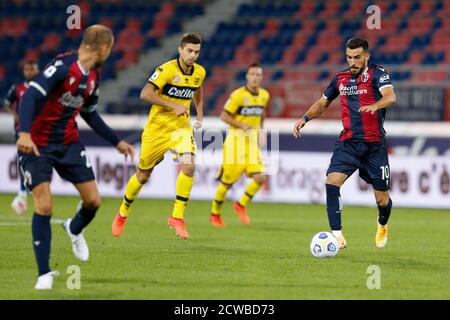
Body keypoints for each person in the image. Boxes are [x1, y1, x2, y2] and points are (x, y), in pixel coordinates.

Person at [16, 25, 135, 290]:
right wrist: (24, 133)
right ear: (103, 47)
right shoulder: (62, 67)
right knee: (44, 204)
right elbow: (29, 97)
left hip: (68, 143)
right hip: (37, 144)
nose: (110, 53)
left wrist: (116, 141)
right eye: (110, 48)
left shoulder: (94, 76)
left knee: (93, 201)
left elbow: (89, 114)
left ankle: (74, 228)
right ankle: (44, 274)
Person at [293, 37, 396, 249]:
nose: (353, 62)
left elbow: (390, 96)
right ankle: (337, 235)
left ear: (366, 56)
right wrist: (304, 118)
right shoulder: (340, 79)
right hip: (348, 143)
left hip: (374, 146)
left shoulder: (378, 73)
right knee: (332, 183)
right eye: (349, 57)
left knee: (382, 201)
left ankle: (382, 223)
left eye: (357, 57)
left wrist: (375, 105)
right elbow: (323, 103)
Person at [112, 33, 206, 240]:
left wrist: (198, 111)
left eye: (197, 52)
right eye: (189, 51)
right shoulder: (166, 70)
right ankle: (123, 211)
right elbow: (145, 93)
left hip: (181, 128)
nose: (193, 56)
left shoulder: (199, 72)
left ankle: (177, 217)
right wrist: (173, 105)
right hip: (157, 129)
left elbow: (197, 89)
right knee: (143, 175)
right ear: (180, 50)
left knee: (189, 165)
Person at [209, 63, 270, 227]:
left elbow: (262, 113)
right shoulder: (237, 95)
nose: (255, 77)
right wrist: (241, 125)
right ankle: (215, 213)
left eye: (258, 74)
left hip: (251, 143)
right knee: (227, 183)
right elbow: (223, 116)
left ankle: (240, 204)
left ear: (261, 77)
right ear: (247, 76)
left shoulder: (264, 95)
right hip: (235, 143)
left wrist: (262, 131)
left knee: (260, 177)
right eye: (252, 74)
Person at [3, 61, 40, 215]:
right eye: (26, 68)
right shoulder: (17, 89)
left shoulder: (42, 87)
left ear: (37, 70)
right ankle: (22, 193)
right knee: (23, 161)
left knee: (38, 162)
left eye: (31, 68)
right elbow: (6, 103)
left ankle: (24, 193)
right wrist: (16, 115)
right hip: (21, 131)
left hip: (39, 130)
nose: (29, 71)